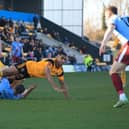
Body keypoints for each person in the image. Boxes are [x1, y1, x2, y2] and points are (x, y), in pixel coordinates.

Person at [0, 54, 69, 98]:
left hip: (28, 74)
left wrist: (66, 97)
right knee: (7, 72)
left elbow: (62, 83)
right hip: (27, 66)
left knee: (10, 78)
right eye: (62, 58)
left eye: (64, 59)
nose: (63, 60)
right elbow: (47, 74)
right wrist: (54, 87)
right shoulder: (50, 62)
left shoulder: (60, 71)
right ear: (57, 57)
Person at [99, 6, 129, 108]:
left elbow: (111, 28)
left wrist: (103, 44)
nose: (105, 17)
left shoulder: (112, 18)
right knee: (118, 70)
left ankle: (122, 97)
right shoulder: (124, 18)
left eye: (105, 15)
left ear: (109, 13)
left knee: (113, 71)